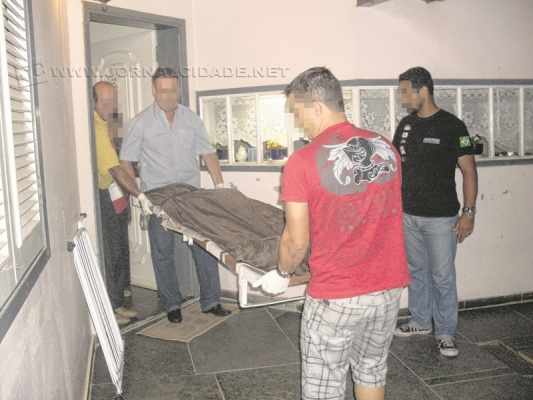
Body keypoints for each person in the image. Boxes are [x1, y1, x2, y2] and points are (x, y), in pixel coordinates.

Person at [253, 67, 410, 400]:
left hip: (336, 295)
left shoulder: (302, 162)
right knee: (371, 371)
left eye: (298, 112)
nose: (298, 122)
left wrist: (281, 273)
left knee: (323, 386)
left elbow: (295, 241)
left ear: (317, 107)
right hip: (388, 288)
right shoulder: (385, 148)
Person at [119, 67, 231, 323]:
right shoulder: (140, 122)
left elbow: (208, 152)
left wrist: (220, 185)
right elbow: (126, 161)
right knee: (163, 252)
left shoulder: (191, 119)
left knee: (205, 247)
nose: (168, 96)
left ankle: (211, 301)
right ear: (154, 90)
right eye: (162, 91)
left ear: (178, 89)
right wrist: (139, 194)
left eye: (172, 90)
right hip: (158, 197)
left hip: (190, 195)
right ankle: (172, 304)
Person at [392, 67, 478, 358]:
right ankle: (420, 321)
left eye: (406, 91)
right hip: (408, 215)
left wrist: (468, 212)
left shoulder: (453, 126)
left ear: (423, 90)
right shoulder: (406, 125)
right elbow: (396, 167)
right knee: (416, 272)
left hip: (441, 218)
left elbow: (469, 171)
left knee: (442, 276)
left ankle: (445, 332)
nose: (403, 97)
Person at [93, 81, 140, 325]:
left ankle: (119, 301)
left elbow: (124, 158)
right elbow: (115, 169)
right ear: (94, 102)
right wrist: (140, 195)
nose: (110, 106)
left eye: (113, 100)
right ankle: (111, 309)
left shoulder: (112, 121)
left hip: (118, 193)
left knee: (121, 247)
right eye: (104, 101)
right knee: (111, 251)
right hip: (104, 194)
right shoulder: (95, 127)